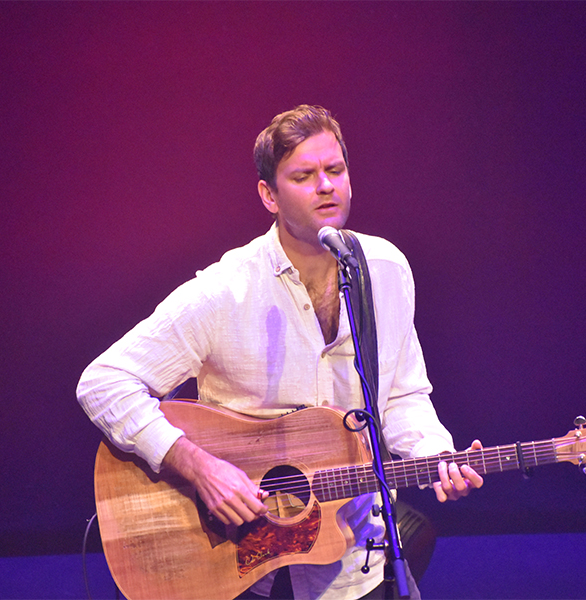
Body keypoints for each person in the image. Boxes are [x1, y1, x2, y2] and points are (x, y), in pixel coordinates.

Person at [77, 105, 483, 600]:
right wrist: (200, 468)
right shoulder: (228, 290)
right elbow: (104, 382)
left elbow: (400, 396)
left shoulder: (385, 268)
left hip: (364, 559)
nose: (326, 185)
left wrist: (435, 455)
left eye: (335, 170)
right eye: (304, 176)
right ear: (269, 195)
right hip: (252, 567)